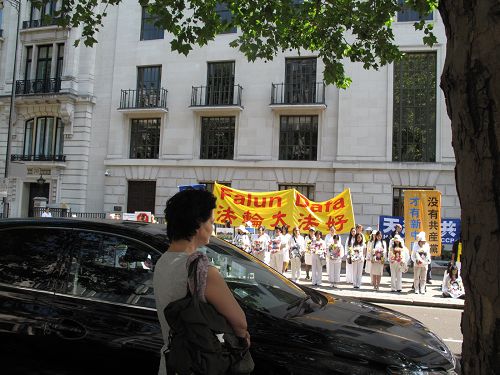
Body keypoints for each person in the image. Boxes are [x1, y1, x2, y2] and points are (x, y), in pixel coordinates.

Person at [153, 189, 250, 375]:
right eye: (211, 222)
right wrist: (243, 338)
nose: (212, 228)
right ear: (198, 223)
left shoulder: (163, 261)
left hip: (172, 362)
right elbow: (240, 323)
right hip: (200, 364)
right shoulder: (201, 269)